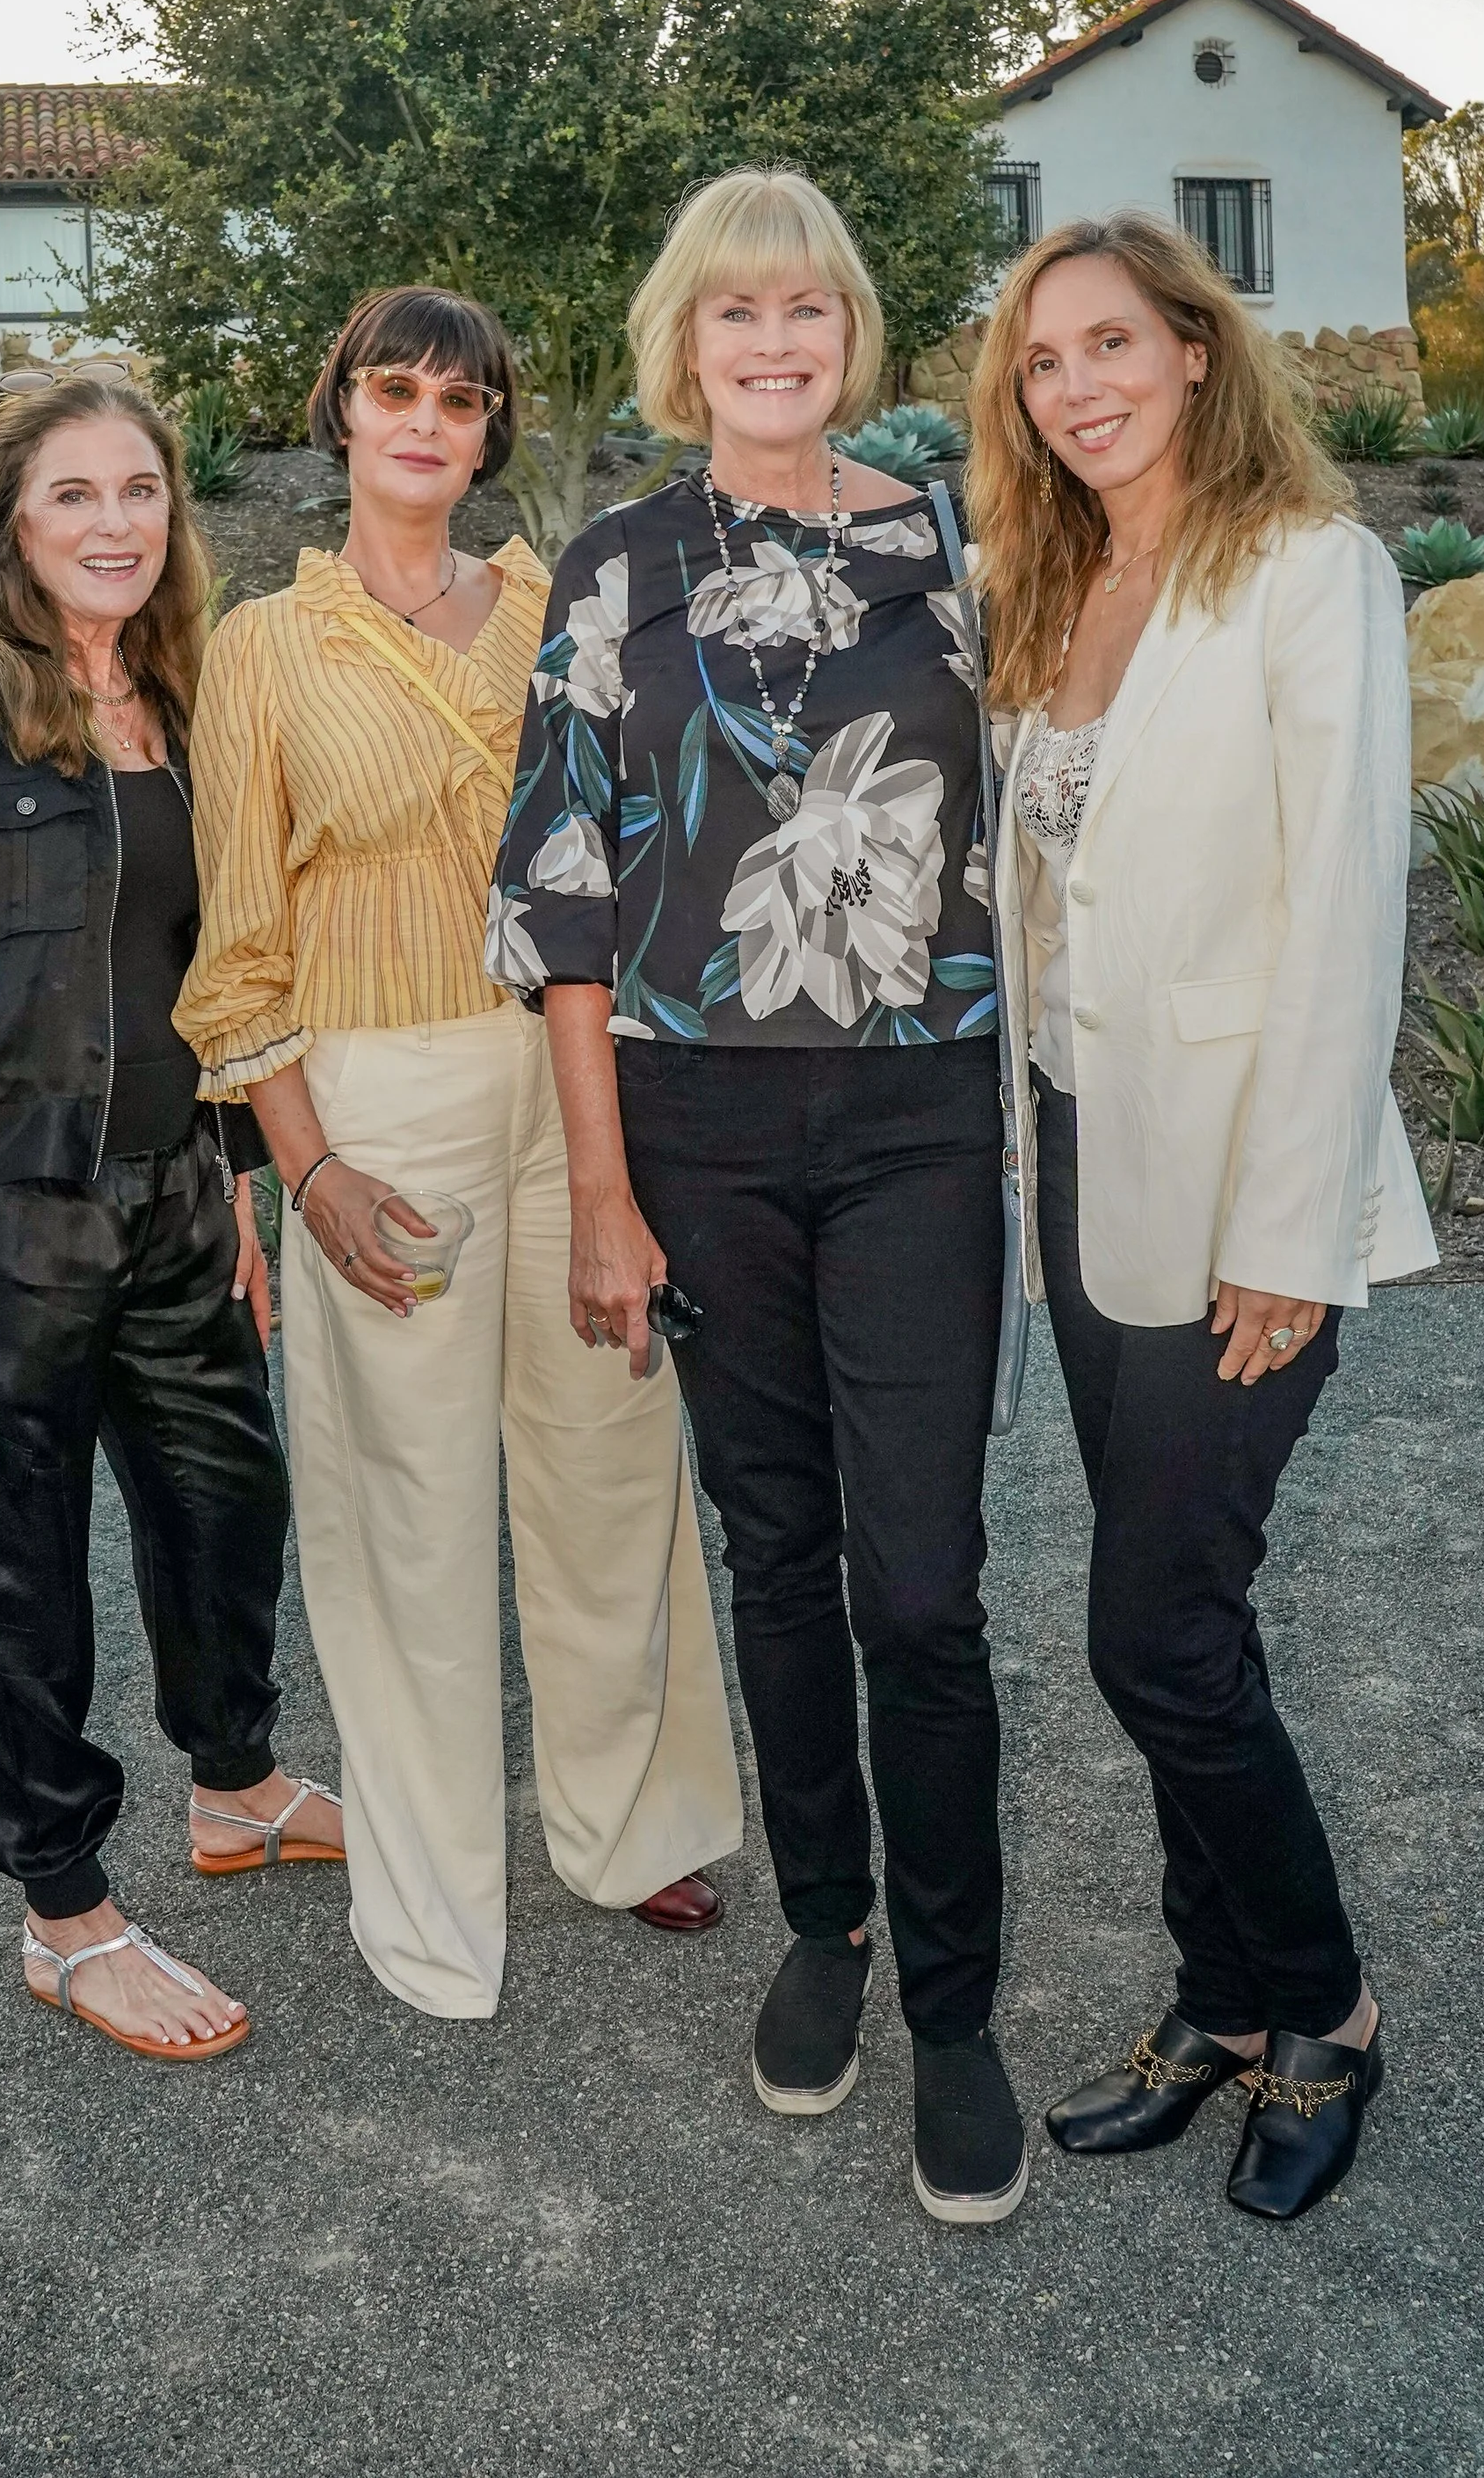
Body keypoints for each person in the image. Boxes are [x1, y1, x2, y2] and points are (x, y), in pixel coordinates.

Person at [495, 169, 1029, 2227]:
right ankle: (831, 1924)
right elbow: (555, 887)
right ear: (683, 343)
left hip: (915, 1115)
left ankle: (955, 2008)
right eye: (737, 314)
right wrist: (599, 1198)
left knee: (920, 1581)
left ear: (852, 337)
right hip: (691, 1121)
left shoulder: (958, 548)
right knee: (777, 1552)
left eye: (808, 309)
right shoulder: (614, 564)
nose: (775, 343)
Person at [177, 287, 741, 2022]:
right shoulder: (264, 647)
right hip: (374, 1099)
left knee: (608, 1461)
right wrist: (304, 1163)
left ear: (492, 430)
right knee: (403, 1508)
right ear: (340, 411)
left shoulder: (560, 611)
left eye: (459, 399)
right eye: (391, 390)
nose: (423, 422)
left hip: (571, 1079)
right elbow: (235, 940)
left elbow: (643, 854)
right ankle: (429, 1896)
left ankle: (627, 1815)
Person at [971, 209, 1437, 2222]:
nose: (1074, 388)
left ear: (1187, 348)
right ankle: (1216, 1999)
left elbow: (1344, 906)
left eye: (1106, 346)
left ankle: (1320, 2005)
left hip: (1247, 1184)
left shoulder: (1305, 572)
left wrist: (1286, 1225)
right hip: (1084, 1159)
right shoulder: (1056, 581)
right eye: (1039, 364)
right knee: (1181, 1608)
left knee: (1155, 1635)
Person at [0, 375, 335, 2064]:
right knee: (18, 1574)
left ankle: (238, 1784)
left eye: (141, 493)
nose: (115, 525)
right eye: (72, 497)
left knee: (225, 1506)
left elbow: (219, 965)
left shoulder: (194, 700)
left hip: (178, 1197)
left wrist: (242, 1184)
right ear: (8, 523)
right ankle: (65, 1909)